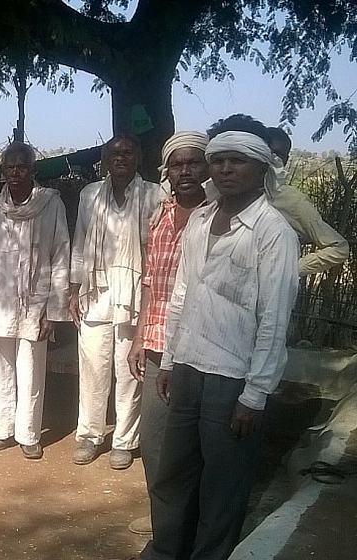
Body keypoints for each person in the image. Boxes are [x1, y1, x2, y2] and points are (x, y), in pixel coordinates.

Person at [141, 130, 299, 560]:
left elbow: (274, 318)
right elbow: (181, 293)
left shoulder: (273, 232)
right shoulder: (200, 219)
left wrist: (256, 393)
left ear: (262, 168)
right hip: (189, 365)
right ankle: (165, 551)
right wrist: (170, 360)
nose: (226, 169)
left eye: (238, 161)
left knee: (222, 484)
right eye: (219, 160)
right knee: (173, 473)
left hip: (234, 376)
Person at [125, 131, 210, 536]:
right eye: (178, 164)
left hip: (199, 348)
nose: (186, 171)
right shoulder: (159, 214)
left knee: (192, 447)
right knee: (155, 445)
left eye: (194, 162)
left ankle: (186, 529)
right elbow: (150, 282)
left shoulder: (216, 217)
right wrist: (141, 335)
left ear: (206, 167)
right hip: (158, 345)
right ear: (167, 172)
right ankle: (167, 526)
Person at [0, 143, 70, 458]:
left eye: (21, 167)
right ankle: (1, 431)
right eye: (9, 167)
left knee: (30, 368)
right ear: (2, 170)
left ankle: (28, 435)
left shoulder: (50, 204)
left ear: (32, 169)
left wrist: (53, 311)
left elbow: (61, 254)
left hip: (36, 301)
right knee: (0, 366)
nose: (15, 173)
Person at [69, 133, 161, 469]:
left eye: (127, 153)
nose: (120, 159)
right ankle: (90, 435)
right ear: (105, 160)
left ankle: (124, 440)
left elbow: (158, 249)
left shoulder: (155, 194)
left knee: (129, 370)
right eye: (114, 154)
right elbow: (79, 241)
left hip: (135, 291)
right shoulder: (90, 194)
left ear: (138, 157)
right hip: (95, 290)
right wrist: (73, 288)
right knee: (92, 367)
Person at [204, 117, 348, 277]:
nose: (274, 159)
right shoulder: (216, 194)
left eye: (278, 156)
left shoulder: (291, 200)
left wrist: (289, 269)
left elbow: (338, 247)